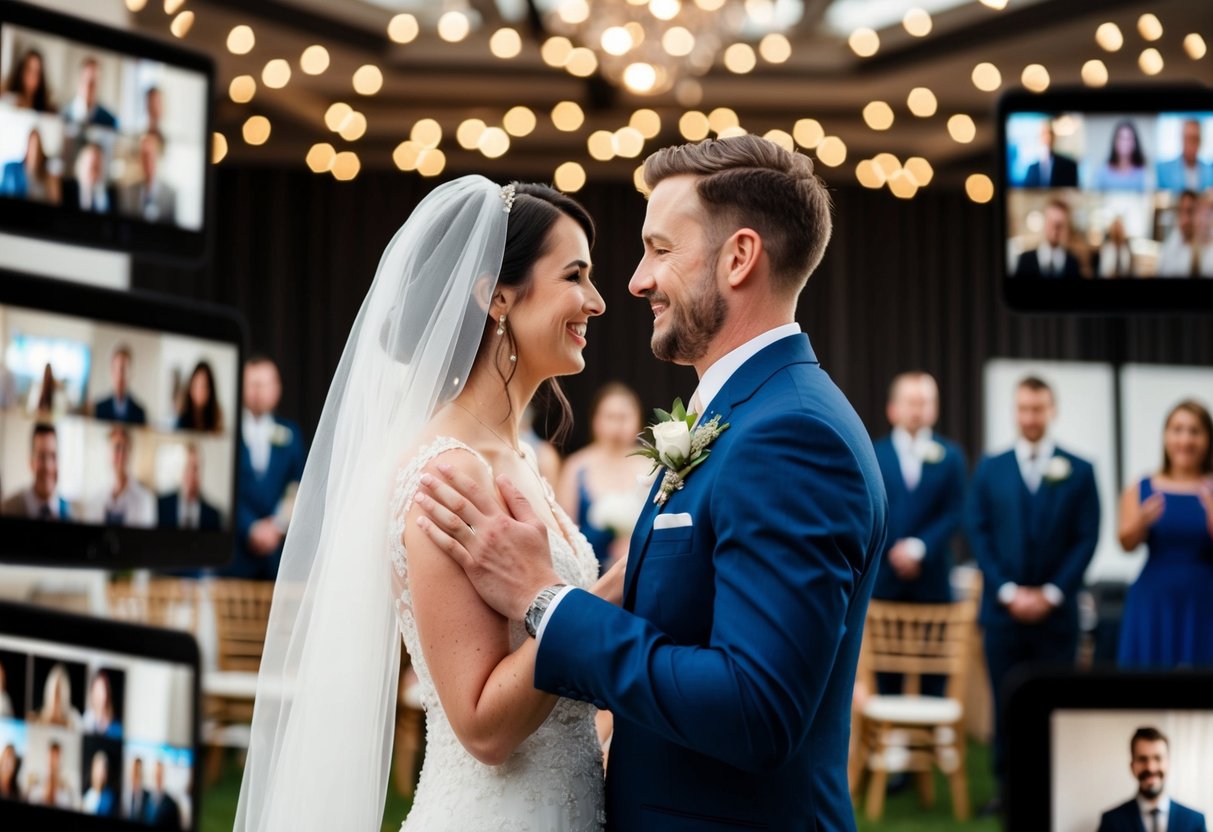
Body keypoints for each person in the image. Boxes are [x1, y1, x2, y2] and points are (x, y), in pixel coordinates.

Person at [416, 137, 887, 830]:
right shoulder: (746, 417)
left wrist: (543, 601)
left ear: (738, 258)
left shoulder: (790, 437)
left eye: (659, 250)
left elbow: (754, 710)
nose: (635, 283)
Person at [237, 177, 622, 831]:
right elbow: (481, 727)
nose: (597, 301)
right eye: (575, 276)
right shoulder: (447, 473)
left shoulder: (521, 458)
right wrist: (609, 593)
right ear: (497, 297)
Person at [966, 376, 1100, 813]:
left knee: (1054, 705)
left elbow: (1086, 538)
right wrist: (1006, 591)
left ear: (1052, 410)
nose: (1030, 417)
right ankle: (1007, 793)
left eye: (1038, 408)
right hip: (1002, 615)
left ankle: (1052, 791)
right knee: (1006, 705)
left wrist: (1052, 593)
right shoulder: (991, 467)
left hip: (1056, 618)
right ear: (1015, 411)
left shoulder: (1080, 471)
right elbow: (978, 532)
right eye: (1023, 408)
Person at [870, 372, 966, 695]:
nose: (917, 410)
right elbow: (868, 508)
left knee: (934, 677)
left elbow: (956, 512)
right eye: (911, 402)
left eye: (924, 402)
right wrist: (894, 550)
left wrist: (920, 547)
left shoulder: (951, 457)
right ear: (892, 408)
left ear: (935, 409)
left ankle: (929, 738)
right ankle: (891, 738)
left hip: (933, 580)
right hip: (885, 578)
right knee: (887, 674)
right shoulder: (873, 453)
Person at [1116, 400, 1213, 667]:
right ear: (1165, 436)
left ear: (1207, 439)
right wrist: (1140, 522)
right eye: (1177, 429)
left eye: (1195, 431)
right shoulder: (1141, 486)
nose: (1185, 439)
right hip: (1154, 602)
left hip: (1204, 601)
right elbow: (1125, 543)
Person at [557, 382, 651, 573]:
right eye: (610, 417)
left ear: (638, 420)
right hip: (591, 571)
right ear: (596, 421)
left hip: (642, 568)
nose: (617, 424)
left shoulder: (653, 464)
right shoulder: (576, 466)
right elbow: (565, 531)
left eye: (624, 417)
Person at [226, 356, 305, 580]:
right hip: (236, 558)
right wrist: (250, 528)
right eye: (253, 384)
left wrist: (277, 526)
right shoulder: (228, 431)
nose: (258, 391)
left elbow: (297, 486)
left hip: (277, 560)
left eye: (265, 384)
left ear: (277, 388)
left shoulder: (291, 434)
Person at [1097, 727, 1207, 832]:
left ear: (1168, 763)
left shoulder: (1195, 822)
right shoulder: (1111, 822)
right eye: (1142, 759)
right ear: (1132, 766)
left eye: (1158, 758)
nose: (1150, 767)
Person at [1, 423, 71, 520]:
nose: (48, 466)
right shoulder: (8, 509)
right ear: (31, 463)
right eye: (41, 457)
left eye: (53, 456)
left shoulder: (72, 513)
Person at [90, 426, 155, 527]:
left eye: (125, 449)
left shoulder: (146, 499)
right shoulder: (95, 498)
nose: (121, 455)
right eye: (117, 448)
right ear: (108, 452)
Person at [158, 444, 221, 530]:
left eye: (195, 468)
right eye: (187, 467)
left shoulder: (213, 516)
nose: (191, 474)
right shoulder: (161, 506)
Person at [1014, 199, 1082, 278]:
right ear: (1045, 222)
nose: (1055, 230)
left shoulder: (1073, 262)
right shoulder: (1025, 260)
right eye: (1051, 223)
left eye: (1059, 225)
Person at [121, 130, 176, 224]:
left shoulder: (170, 195)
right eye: (143, 155)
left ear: (158, 156)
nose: (146, 161)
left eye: (151, 155)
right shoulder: (127, 192)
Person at [1156, 190, 1213, 278]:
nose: (1184, 220)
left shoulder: (1206, 250)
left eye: (1190, 212)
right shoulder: (1174, 239)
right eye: (1180, 211)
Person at [0, 128, 61, 204]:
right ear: (27, 147)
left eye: (36, 146)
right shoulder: (13, 171)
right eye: (31, 145)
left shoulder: (49, 174)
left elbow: (56, 200)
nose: (34, 151)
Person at [1156, 118, 1213, 193]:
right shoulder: (1164, 171)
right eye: (1188, 138)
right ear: (1182, 139)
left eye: (1195, 139)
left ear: (1200, 141)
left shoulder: (1210, 171)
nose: (1191, 144)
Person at [93, 345, 147, 424]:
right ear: (111, 372)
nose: (120, 375)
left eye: (123, 370)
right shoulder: (99, 408)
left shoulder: (140, 412)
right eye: (116, 369)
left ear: (131, 373)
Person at [61, 57, 118, 130]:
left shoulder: (109, 121)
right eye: (85, 80)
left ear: (99, 83)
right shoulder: (63, 114)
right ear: (79, 80)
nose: (88, 87)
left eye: (93, 82)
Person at [62, 142, 116, 215]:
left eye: (97, 167)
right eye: (91, 165)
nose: (94, 167)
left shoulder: (112, 193)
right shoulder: (66, 188)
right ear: (80, 164)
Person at [1092, 120, 1147, 191]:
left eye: (1129, 139)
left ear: (1135, 143)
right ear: (1115, 141)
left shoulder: (1142, 173)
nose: (1124, 143)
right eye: (1121, 138)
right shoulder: (1102, 172)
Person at [1023, 120, 1079, 187]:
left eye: (1050, 133)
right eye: (1044, 134)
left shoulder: (1069, 166)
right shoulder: (1032, 169)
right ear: (1039, 137)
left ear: (1055, 137)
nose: (1048, 138)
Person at [27, 739, 76, 808]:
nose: (52, 762)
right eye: (50, 757)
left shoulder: (66, 794)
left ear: (60, 762)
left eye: (55, 758)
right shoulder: (35, 788)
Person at [175, 360, 222, 432]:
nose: (199, 392)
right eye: (196, 386)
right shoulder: (181, 419)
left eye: (204, 386)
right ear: (190, 387)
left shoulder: (216, 420)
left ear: (210, 390)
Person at [32, 663, 81, 728]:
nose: (57, 697)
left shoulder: (73, 719)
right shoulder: (37, 719)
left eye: (59, 692)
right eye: (55, 692)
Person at [81, 669, 122, 738]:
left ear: (107, 693)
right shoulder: (85, 721)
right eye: (96, 690)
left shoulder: (116, 728)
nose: (98, 695)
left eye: (101, 690)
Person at [146, 759, 182, 829]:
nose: (158, 778)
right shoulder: (146, 797)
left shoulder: (172, 804)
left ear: (164, 776)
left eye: (160, 775)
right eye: (156, 774)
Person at [82, 750, 116, 816]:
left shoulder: (109, 797)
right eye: (97, 768)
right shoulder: (88, 794)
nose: (99, 773)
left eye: (102, 769)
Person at [124, 757, 150, 822]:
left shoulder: (148, 797)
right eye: (134, 771)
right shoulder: (124, 794)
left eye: (138, 772)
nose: (135, 775)